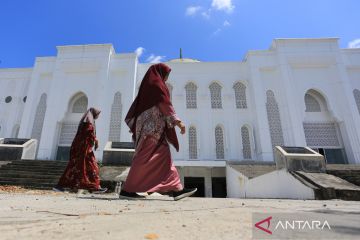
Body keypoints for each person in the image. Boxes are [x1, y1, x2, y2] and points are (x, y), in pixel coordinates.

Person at [119, 63, 197, 200]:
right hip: (152, 131)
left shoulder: (148, 86)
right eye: (166, 74)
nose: (166, 78)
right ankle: (129, 190)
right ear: (161, 72)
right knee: (146, 159)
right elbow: (164, 103)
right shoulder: (156, 85)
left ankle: (176, 188)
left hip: (150, 130)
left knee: (156, 158)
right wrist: (178, 121)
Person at [53, 108, 107, 193]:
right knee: (88, 167)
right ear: (94, 114)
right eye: (98, 114)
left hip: (83, 150)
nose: (98, 116)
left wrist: (94, 141)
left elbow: (87, 135)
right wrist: (95, 141)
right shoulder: (88, 124)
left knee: (82, 168)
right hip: (84, 150)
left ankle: (94, 187)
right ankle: (94, 187)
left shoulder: (87, 123)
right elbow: (88, 134)